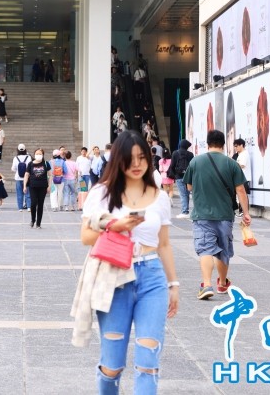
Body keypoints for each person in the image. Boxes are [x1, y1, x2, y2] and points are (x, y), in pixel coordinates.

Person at [74, 130, 179, 393]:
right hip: (114, 277)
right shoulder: (102, 193)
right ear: (117, 160)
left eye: (142, 157)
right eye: (130, 159)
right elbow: (86, 237)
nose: (136, 164)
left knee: (148, 359)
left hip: (152, 277)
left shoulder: (159, 197)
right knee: (112, 365)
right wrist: (116, 226)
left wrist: (173, 284)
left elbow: (164, 244)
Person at [183, 130, 251, 300]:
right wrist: (246, 213)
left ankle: (206, 285)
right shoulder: (231, 163)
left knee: (205, 249)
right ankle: (222, 283)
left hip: (202, 215)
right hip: (225, 215)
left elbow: (189, 187)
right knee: (222, 250)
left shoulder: (195, 162)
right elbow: (241, 190)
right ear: (224, 144)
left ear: (207, 144)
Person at [23, 149, 51, 229]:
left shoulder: (46, 163)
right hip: (33, 186)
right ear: (34, 154)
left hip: (43, 187)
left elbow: (50, 175)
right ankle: (33, 220)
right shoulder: (30, 164)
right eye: (37, 153)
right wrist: (24, 186)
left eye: (40, 154)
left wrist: (49, 186)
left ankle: (38, 223)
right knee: (33, 203)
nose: (38, 155)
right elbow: (26, 175)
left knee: (40, 204)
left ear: (43, 155)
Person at [171, 139, 195, 218]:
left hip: (179, 177)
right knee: (187, 194)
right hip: (188, 177)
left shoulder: (175, 153)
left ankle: (185, 211)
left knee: (183, 194)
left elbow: (172, 165)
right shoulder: (190, 154)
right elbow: (192, 166)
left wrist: (175, 175)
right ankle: (187, 210)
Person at [11, 144, 32, 211]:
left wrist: (18, 170)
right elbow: (30, 167)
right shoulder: (28, 157)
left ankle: (20, 208)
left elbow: (13, 168)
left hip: (18, 178)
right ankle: (29, 207)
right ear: (25, 149)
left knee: (19, 193)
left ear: (18, 150)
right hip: (27, 178)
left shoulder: (15, 158)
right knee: (28, 193)